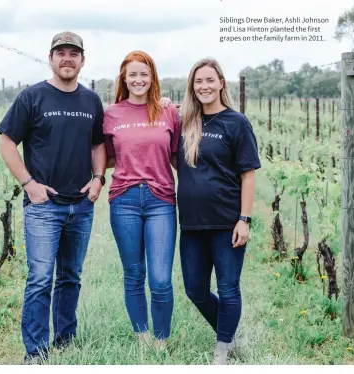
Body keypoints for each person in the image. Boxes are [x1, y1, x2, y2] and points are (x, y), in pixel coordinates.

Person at [0, 31, 107, 364]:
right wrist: (28, 183)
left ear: (82, 61)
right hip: (44, 207)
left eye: (74, 53)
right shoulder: (33, 97)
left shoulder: (91, 101)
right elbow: (6, 141)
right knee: (41, 278)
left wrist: (99, 179)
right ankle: (35, 350)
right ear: (51, 58)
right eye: (61, 52)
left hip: (82, 205)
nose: (68, 58)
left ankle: (65, 339)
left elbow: (98, 144)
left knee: (71, 276)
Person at [176, 58, 261, 364]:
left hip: (227, 222)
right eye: (199, 81)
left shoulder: (236, 122)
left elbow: (248, 173)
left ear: (221, 83)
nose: (204, 86)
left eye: (210, 80)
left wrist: (244, 218)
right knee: (195, 290)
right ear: (192, 87)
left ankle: (222, 348)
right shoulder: (185, 124)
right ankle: (229, 332)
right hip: (192, 224)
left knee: (227, 288)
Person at [103, 50, 181, 351]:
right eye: (132, 74)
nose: (138, 79)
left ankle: (161, 340)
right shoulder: (111, 114)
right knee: (134, 273)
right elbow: (106, 156)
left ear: (152, 78)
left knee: (160, 278)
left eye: (143, 74)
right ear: (124, 77)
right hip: (124, 199)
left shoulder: (167, 112)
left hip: (161, 200)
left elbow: (176, 156)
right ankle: (142, 336)